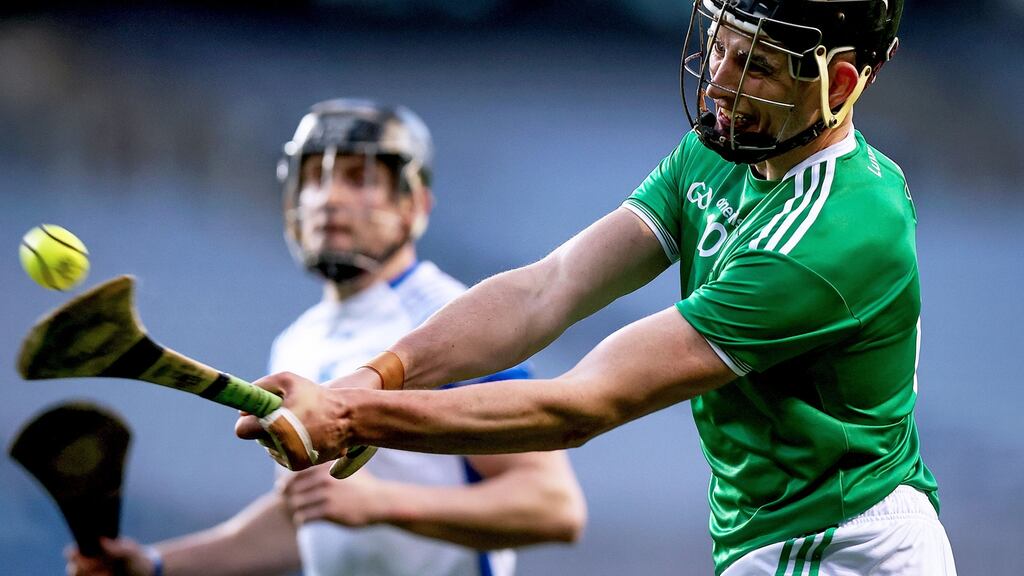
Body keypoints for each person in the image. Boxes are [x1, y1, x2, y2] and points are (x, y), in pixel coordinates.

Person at [236, 2, 959, 575]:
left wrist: (355, 416)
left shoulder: (831, 239)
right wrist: (374, 377)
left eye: (756, 65)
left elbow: (584, 403)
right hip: (782, 538)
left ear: (837, 84)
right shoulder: (725, 151)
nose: (717, 78)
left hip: (838, 547)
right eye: (719, 42)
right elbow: (546, 289)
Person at [66, 99, 586, 576]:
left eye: (359, 178)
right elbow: (312, 515)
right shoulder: (298, 341)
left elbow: (552, 505)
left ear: (415, 205)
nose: (330, 198)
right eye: (315, 178)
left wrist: (380, 503)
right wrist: (156, 566)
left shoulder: (454, 321)